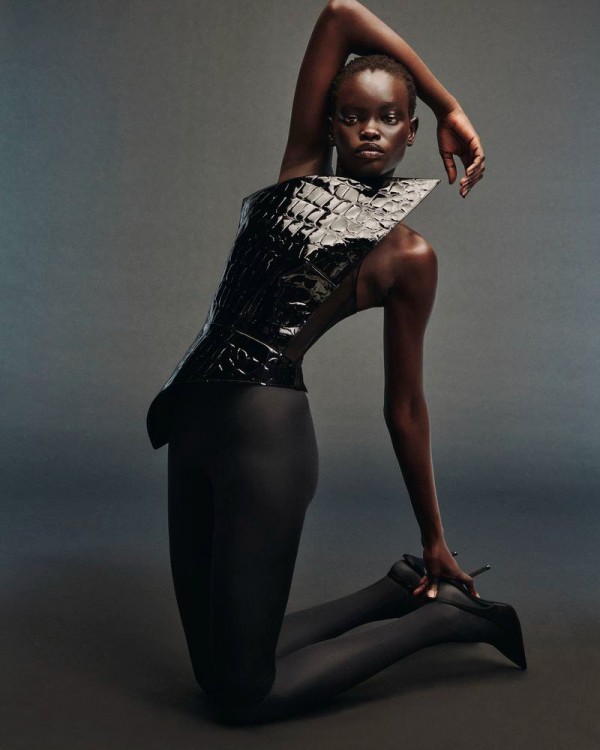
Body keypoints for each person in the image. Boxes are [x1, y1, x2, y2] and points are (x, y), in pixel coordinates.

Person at [146, 0, 526, 725]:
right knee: (214, 672)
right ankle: (397, 590)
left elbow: (404, 407)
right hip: (191, 416)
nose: (370, 130)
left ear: (410, 133)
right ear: (329, 126)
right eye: (353, 116)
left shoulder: (409, 258)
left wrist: (436, 536)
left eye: (390, 117)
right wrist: (449, 103)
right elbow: (340, 13)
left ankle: (445, 619)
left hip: (266, 437)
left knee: (243, 694)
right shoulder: (300, 175)